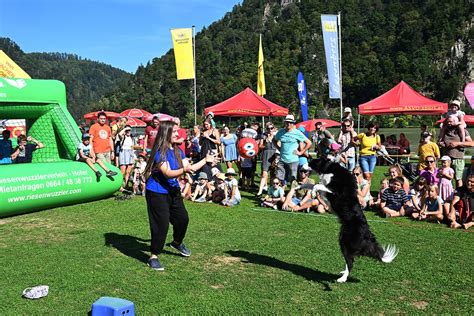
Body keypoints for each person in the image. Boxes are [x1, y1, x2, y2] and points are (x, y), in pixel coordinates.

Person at [143, 120, 216, 271]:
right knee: (161, 225)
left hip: (173, 191)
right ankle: (154, 256)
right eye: (175, 131)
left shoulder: (178, 151)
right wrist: (185, 171)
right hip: (157, 192)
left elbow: (188, 168)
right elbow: (169, 173)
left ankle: (176, 242)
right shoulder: (159, 152)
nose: (178, 134)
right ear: (166, 133)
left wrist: (205, 161)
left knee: (182, 219)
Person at [273, 114, 312, 185]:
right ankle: (280, 194)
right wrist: (279, 148)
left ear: (293, 123)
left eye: (290, 122)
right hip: (282, 160)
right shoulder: (281, 131)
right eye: (287, 122)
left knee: (293, 180)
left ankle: (292, 194)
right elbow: (274, 140)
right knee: (279, 178)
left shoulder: (297, 132)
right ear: (285, 122)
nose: (288, 123)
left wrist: (301, 152)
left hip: (293, 160)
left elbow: (309, 143)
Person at [438, 115, 470, 188]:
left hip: (457, 157)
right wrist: (441, 143)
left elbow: (471, 143)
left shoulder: (462, 130)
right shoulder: (444, 130)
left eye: (451, 121)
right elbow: (439, 141)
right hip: (446, 158)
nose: (449, 123)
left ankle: (459, 193)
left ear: (455, 122)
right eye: (448, 121)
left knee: (458, 178)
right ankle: (448, 193)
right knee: (445, 176)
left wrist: (458, 144)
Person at [257, 122, 278, 196]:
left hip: (274, 155)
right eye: (268, 128)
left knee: (273, 175)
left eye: (271, 128)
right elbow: (260, 147)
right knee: (264, 174)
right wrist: (265, 142)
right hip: (266, 154)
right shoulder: (263, 136)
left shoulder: (277, 136)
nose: (270, 130)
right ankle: (260, 191)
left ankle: (271, 191)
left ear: (274, 128)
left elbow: (279, 146)